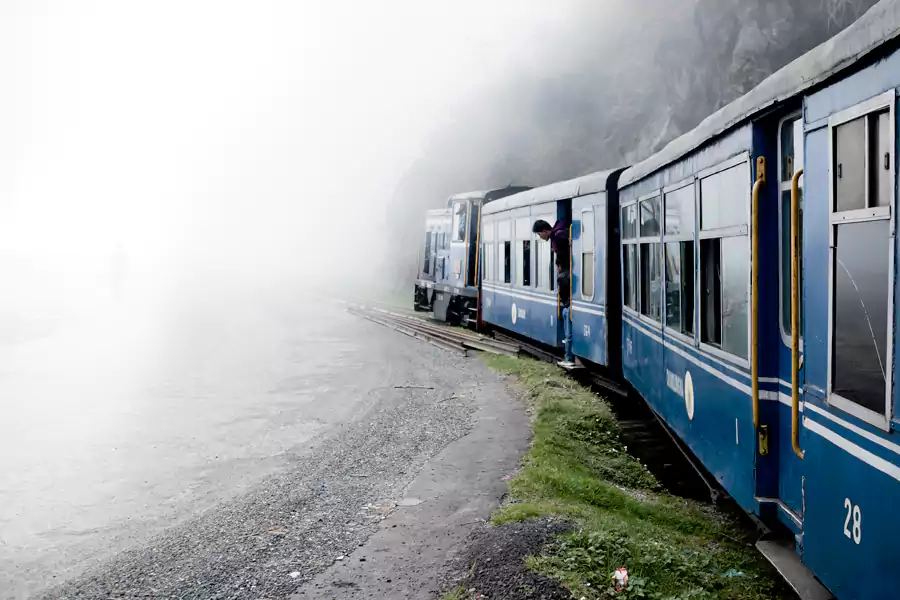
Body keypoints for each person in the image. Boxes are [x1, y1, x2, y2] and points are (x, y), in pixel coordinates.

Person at [556, 256, 575, 368]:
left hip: (567, 307)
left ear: (560, 266)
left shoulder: (562, 278)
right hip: (571, 306)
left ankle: (568, 358)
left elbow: (562, 294)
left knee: (568, 335)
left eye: (557, 267)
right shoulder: (571, 274)